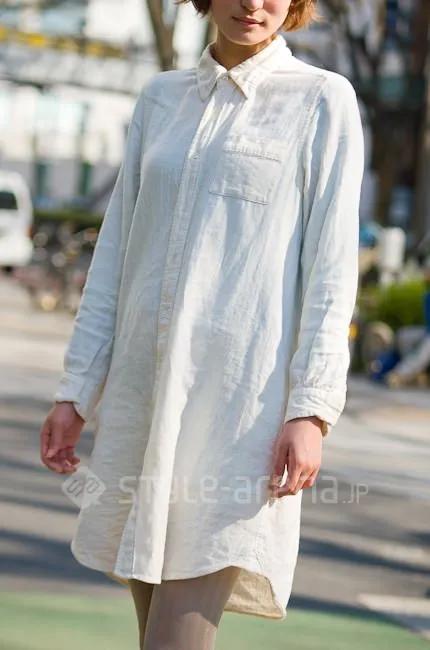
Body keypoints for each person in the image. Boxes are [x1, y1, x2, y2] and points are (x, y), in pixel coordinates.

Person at [39, 0, 364, 647]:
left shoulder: (322, 100)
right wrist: (77, 391)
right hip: (143, 403)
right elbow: (116, 254)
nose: (253, 3)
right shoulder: (159, 99)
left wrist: (311, 410)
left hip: (238, 418)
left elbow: (332, 271)